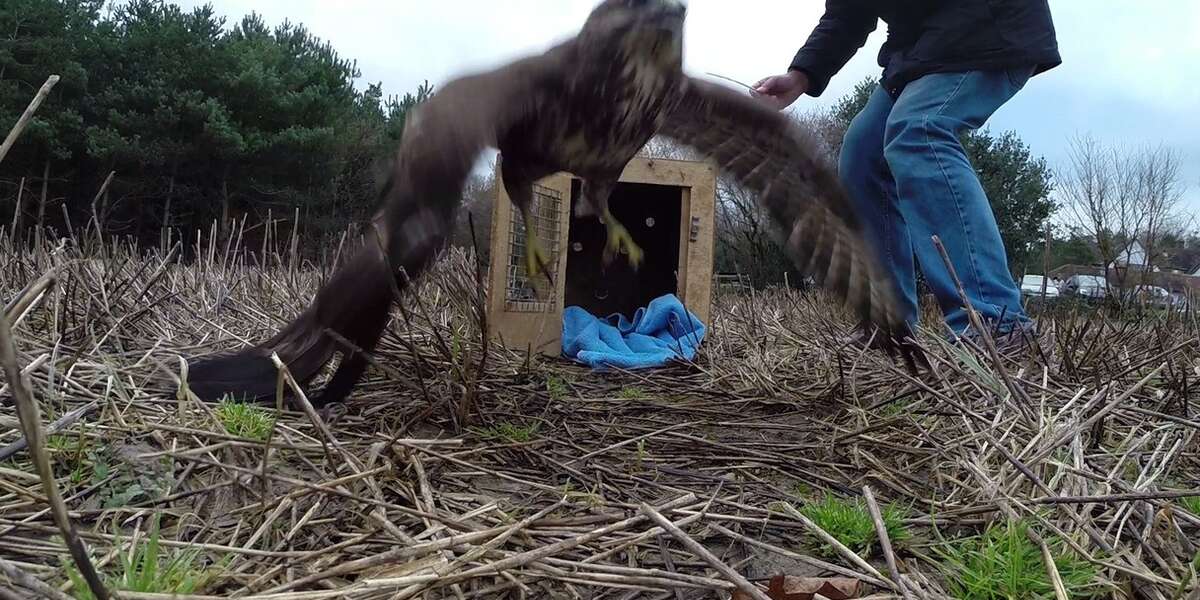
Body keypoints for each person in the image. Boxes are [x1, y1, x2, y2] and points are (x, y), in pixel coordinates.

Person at [752, 1, 1060, 351]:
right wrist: (800, 75)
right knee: (862, 155)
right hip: (921, 50)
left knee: (919, 130)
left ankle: (996, 322)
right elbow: (848, 13)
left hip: (988, 27)